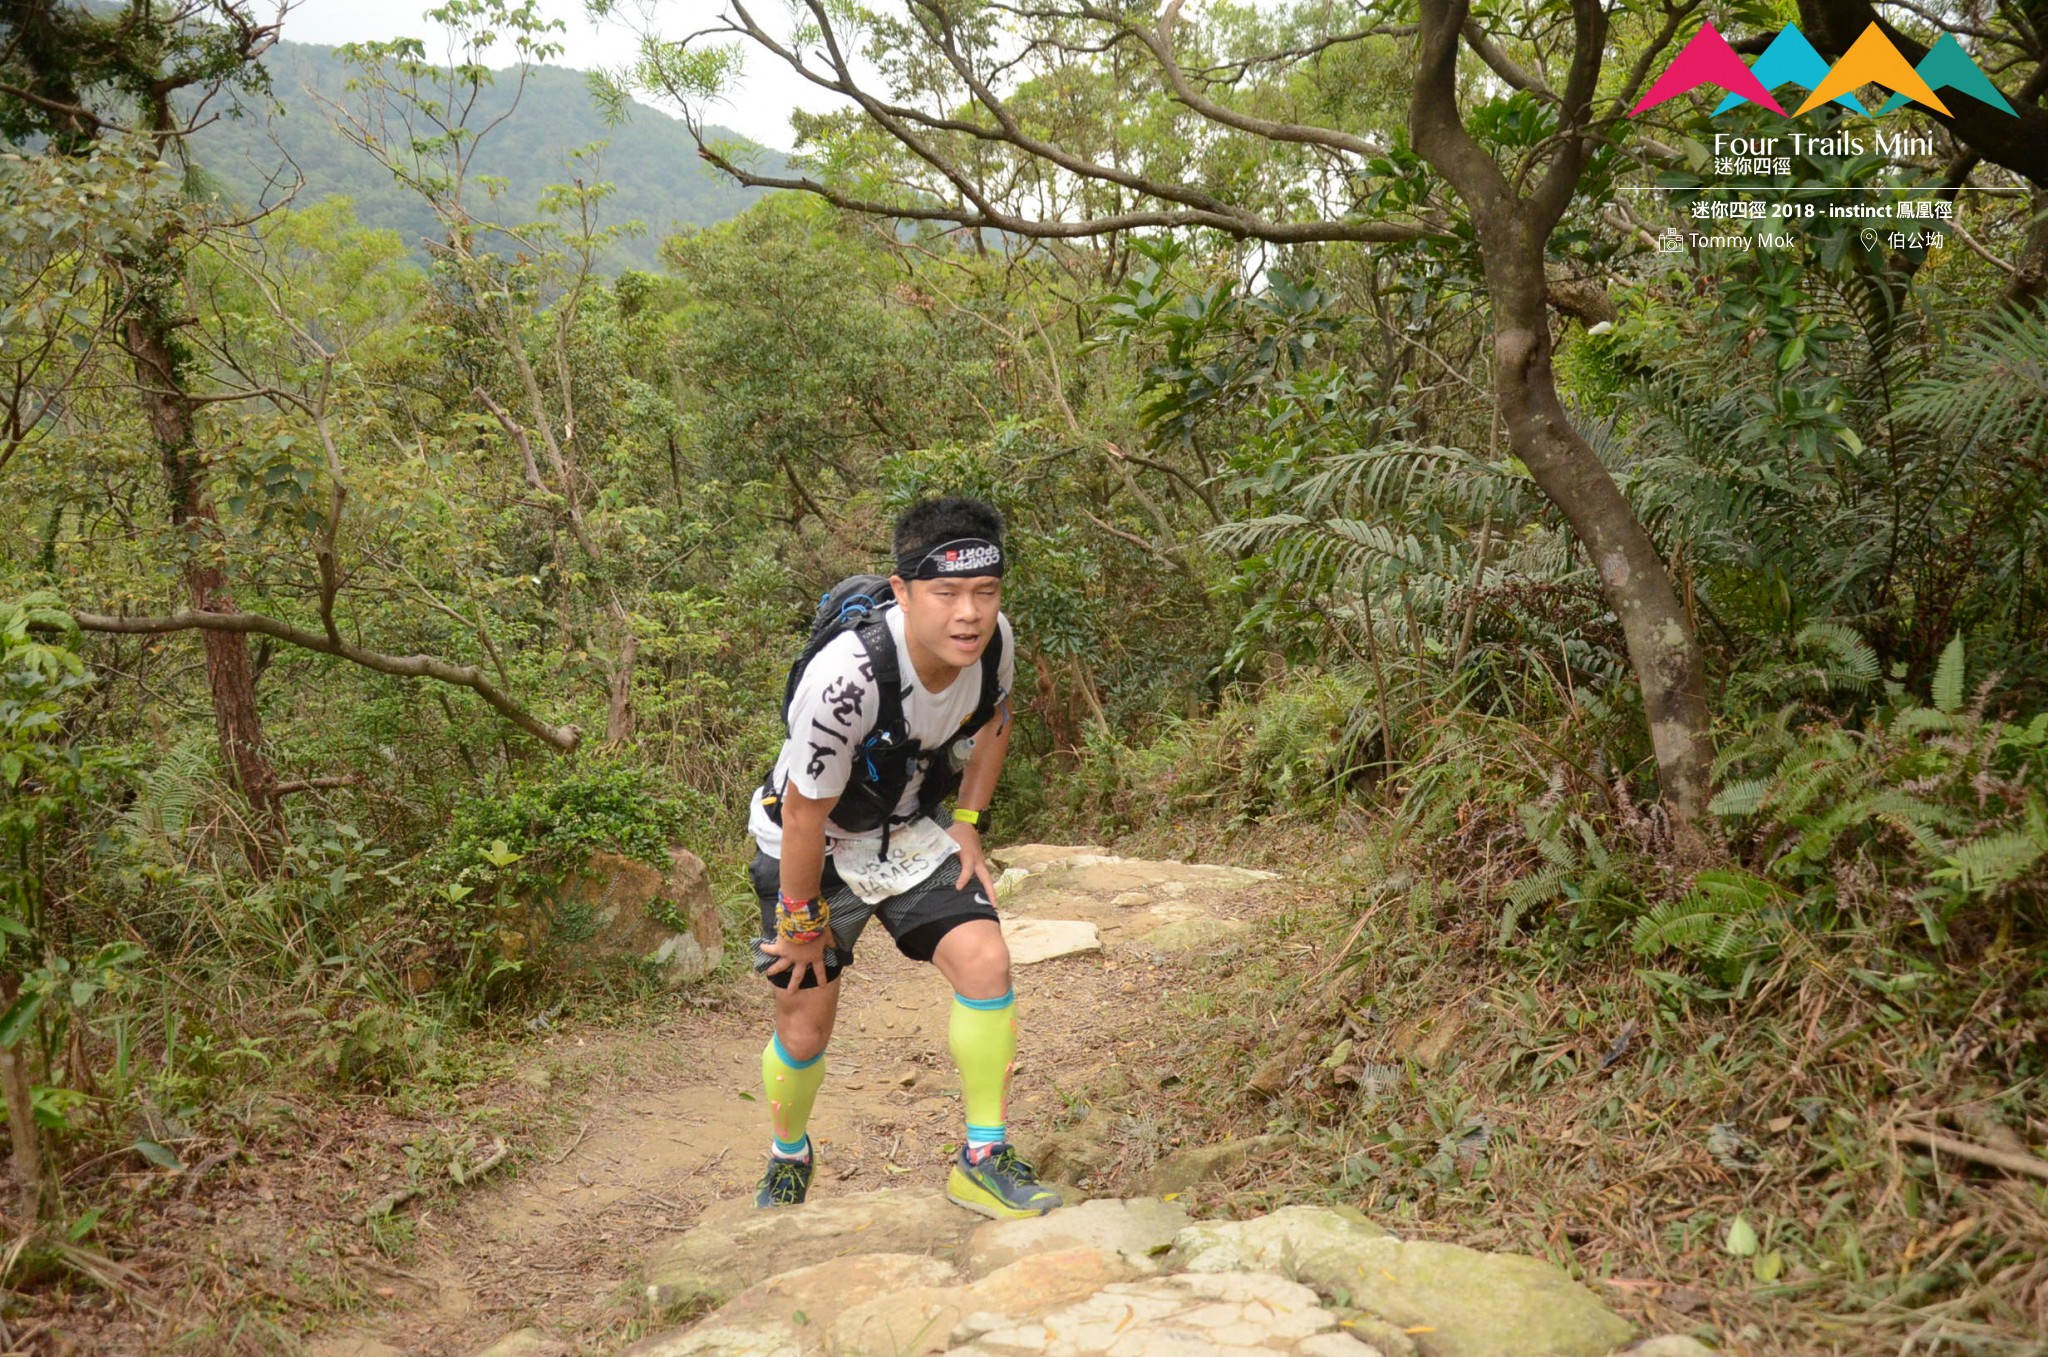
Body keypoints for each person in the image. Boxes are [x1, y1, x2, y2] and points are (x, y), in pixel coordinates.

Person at [746, 496, 1062, 1220]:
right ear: (904, 591)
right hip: (811, 847)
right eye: (946, 592)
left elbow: (996, 719)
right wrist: (801, 921)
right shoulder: (848, 678)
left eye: (985, 591)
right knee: (804, 1026)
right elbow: (803, 812)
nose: (969, 614)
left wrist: (969, 823)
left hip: (908, 829)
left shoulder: (994, 646)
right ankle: (789, 1152)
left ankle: (982, 1158)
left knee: (986, 960)